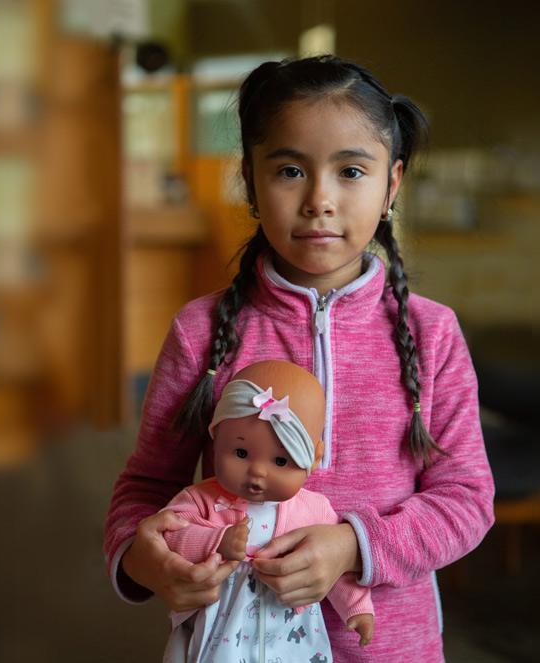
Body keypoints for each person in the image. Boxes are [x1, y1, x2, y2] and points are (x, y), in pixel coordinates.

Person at [104, 55, 495, 662]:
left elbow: (466, 499)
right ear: (251, 181)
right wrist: (141, 557)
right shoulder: (200, 332)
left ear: (391, 185)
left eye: (351, 171)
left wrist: (353, 547)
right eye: (290, 170)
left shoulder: (433, 332)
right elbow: (147, 485)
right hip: (235, 646)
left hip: (392, 650)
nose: (319, 199)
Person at [161, 359, 373, 662]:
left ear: (314, 459)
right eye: (241, 453)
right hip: (221, 632)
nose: (257, 472)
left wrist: (358, 608)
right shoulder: (201, 499)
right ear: (216, 439)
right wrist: (215, 542)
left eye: (280, 461)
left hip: (287, 634)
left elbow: (337, 566)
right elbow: (170, 534)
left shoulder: (315, 510)